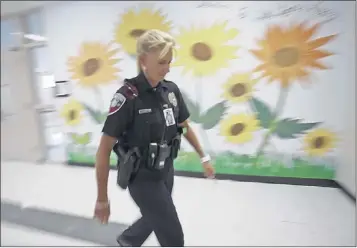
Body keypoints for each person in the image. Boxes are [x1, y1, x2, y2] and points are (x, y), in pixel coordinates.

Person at [93, 29, 215, 247]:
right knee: (173, 236)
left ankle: (129, 240)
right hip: (142, 177)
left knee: (156, 215)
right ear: (143, 61)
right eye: (161, 63)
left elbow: (184, 127)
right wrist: (102, 198)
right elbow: (103, 150)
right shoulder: (127, 97)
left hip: (166, 170)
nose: (167, 69)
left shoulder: (171, 91)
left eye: (169, 62)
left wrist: (203, 157)